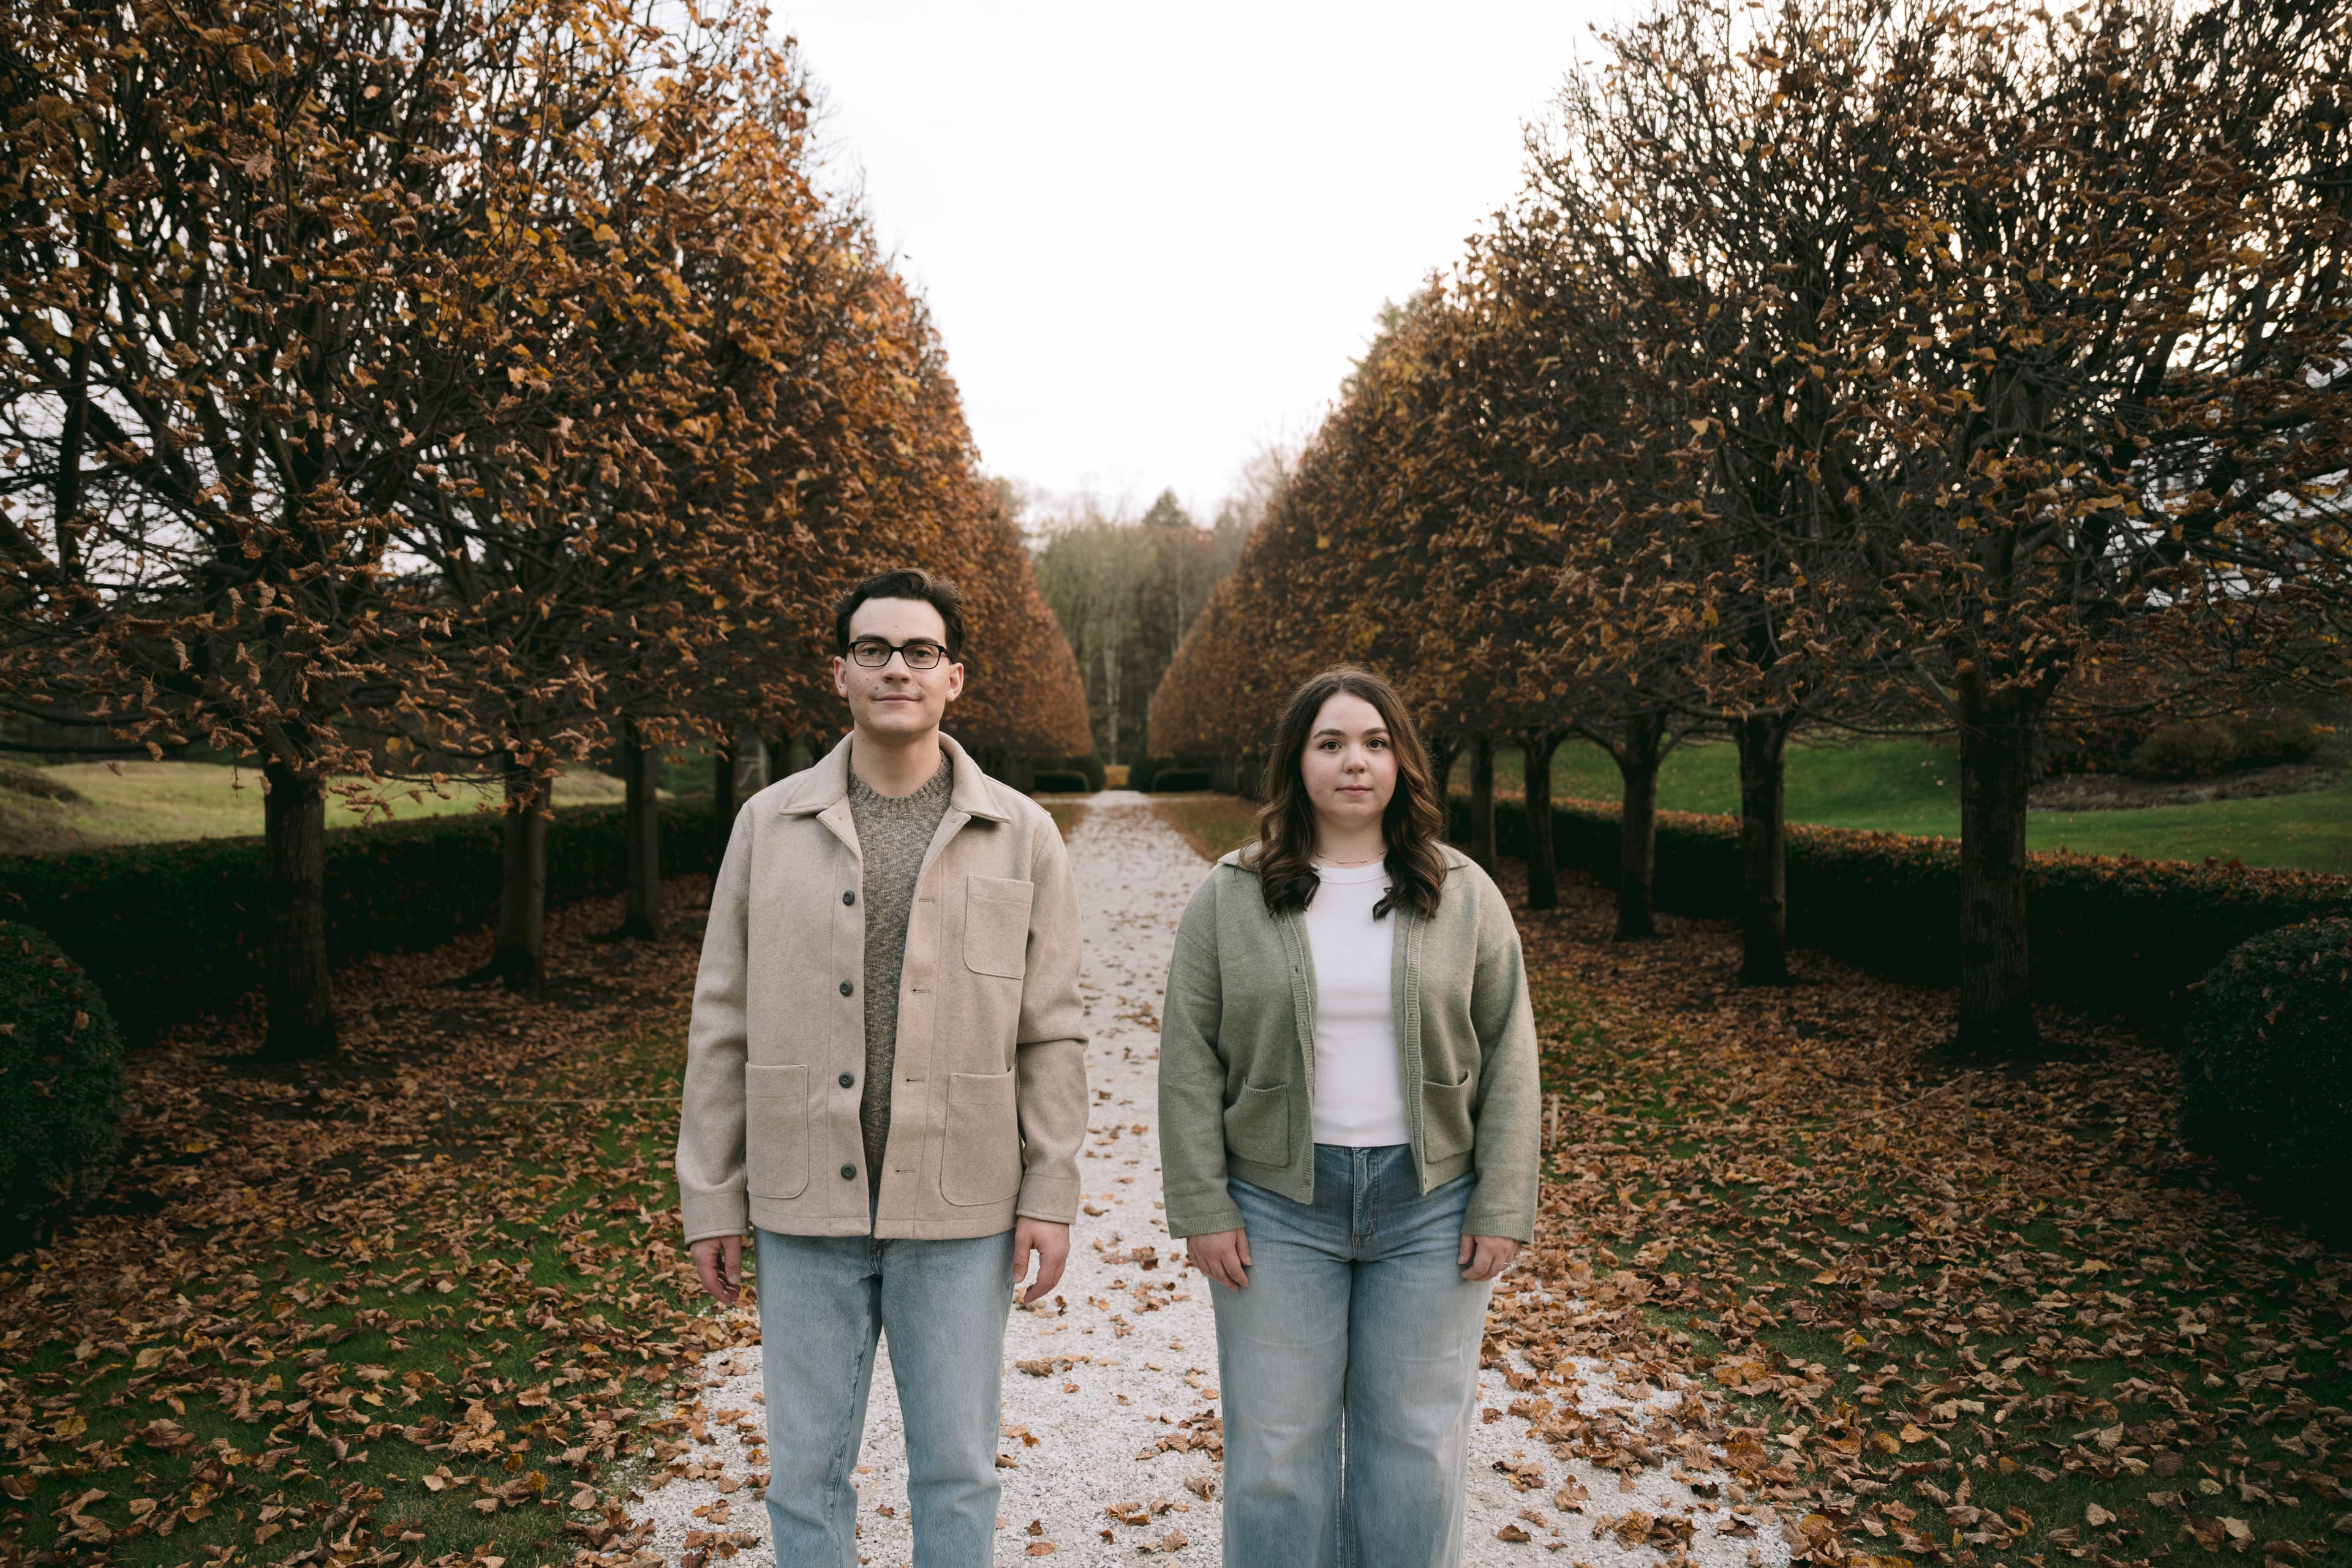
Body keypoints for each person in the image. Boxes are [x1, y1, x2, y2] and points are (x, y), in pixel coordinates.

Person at [675, 567, 1089, 1567]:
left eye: (918, 652)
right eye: (873, 650)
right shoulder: (765, 826)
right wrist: (711, 1196)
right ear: (840, 673)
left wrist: (1052, 1189)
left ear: (954, 678)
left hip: (959, 1207)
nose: (895, 668)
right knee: (804, 1478)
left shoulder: (1024, 834)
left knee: (957, 1474)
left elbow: (1052, 1029)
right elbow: (720, 1017)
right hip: (804, 1201)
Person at [1157, 666, 1540, 1568]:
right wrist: (1204, 1206)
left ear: (1403, 761)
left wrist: (1502, 1203)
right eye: (1330, 744)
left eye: (1374, 742)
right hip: (1276, 1210)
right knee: (1277, 1455)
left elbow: (1512, 1054)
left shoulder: (1464, 893)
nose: (1354, 762)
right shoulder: (1230, 894)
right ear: (1298, 765)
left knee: (1413, 1452)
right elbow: (1187, 1059)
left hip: (1430, 1207)